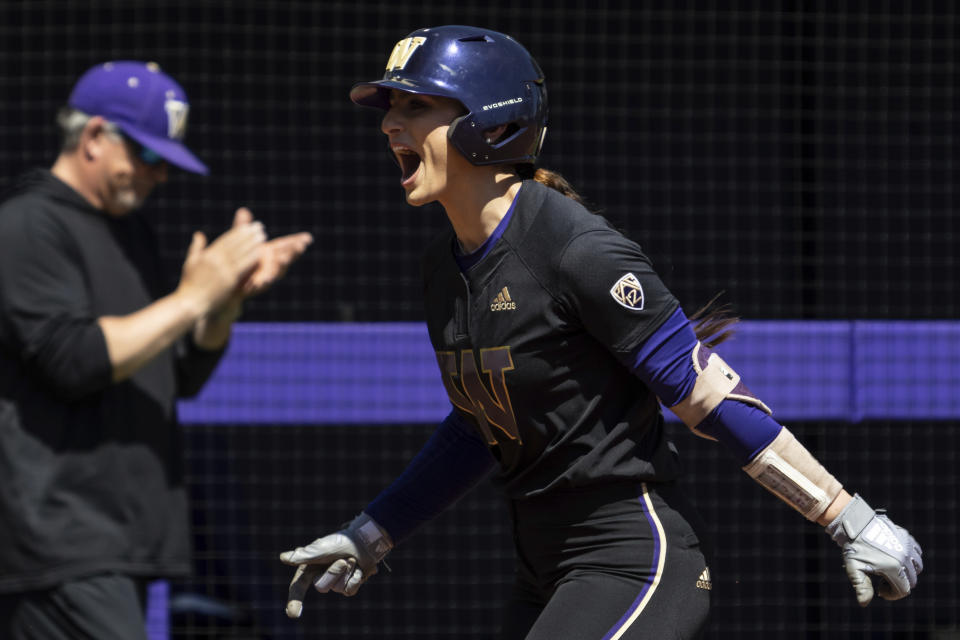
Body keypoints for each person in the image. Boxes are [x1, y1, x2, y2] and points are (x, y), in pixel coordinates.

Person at [280, 26, 922, 638]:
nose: (390, 123)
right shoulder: (442, 268)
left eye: (415, 105)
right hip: (543, 568)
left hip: (634, 563)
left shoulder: (576, 248)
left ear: (492, 124)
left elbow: (708, 398)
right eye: (389, 106)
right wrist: (373, 532)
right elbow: (483, 424)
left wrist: (849, 519)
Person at [0, 60, 312, 639]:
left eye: (166, 163)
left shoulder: (129, 232)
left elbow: (178, 374)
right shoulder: (27, 225)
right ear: (93, 136)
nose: (157, 176)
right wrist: (195, 296)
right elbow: (76, 360)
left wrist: (223, 302)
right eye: (146, 156)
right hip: (59, 541)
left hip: (121, 542)